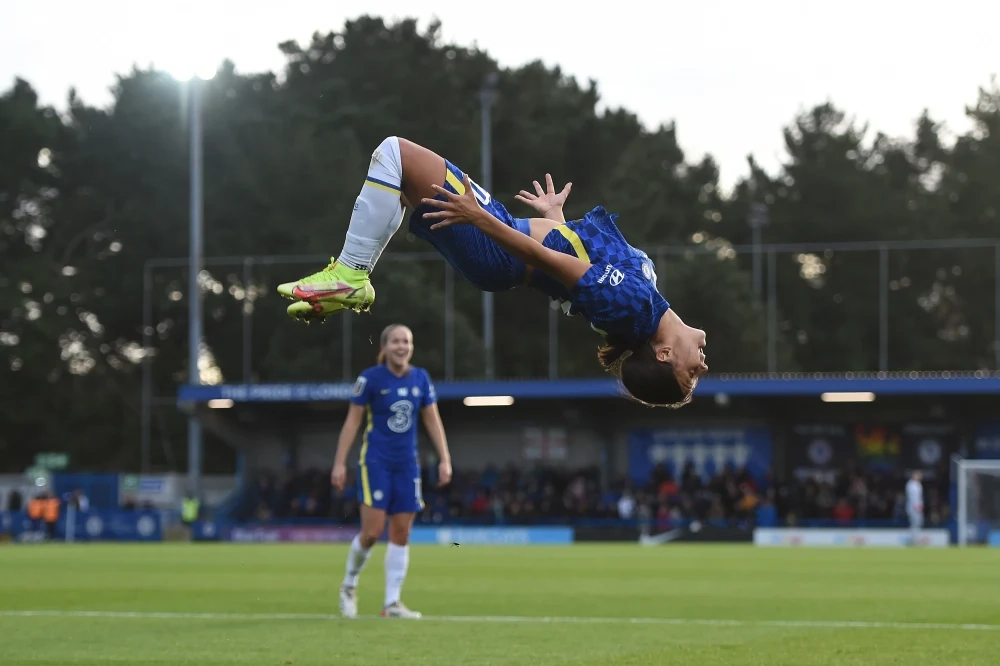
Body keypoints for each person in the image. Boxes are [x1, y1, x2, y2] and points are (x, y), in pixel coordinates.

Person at [278, 137, 708, 407]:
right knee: (404, 183)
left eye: (690, 375)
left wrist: (480, 218)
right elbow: (572, 259)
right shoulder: (644, 305)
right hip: (503, 243)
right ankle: (352, 276)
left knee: (395, 154)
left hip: (499, 247)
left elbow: (547, 260)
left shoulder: (632, 307)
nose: (702, 369)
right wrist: (556, 219)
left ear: (664, 355)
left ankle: (351, 275)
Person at [331, 323, 452, 619]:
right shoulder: (370, 379)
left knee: (401, 532)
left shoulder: (420, 378)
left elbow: (432, 420)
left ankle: (392, 603)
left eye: (406, 341)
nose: (402, 346)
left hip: (407, 463)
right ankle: (349, 585)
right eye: (396, 341)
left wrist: (445, 459)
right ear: (384, 347)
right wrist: (339, 462)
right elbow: (352, 421)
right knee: (372, 532)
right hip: (376, 461)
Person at [905, 470, 924, 546]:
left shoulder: (918, 484)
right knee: (914, 524)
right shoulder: (910, 484)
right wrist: (916, 506)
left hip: (918, 507)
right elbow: (912, 497)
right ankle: (913, 540)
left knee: (918, 524)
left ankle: (915, 539)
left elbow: (919, 497)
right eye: (917, 475)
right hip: (913, 507)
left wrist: (920, 506)